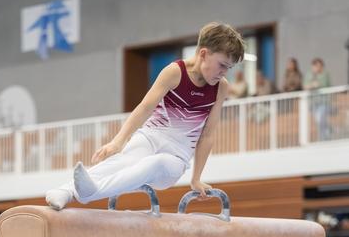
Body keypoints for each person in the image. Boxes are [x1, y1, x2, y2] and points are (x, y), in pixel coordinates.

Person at [46, 22, 245, 210]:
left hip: (176, 156)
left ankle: (87, 193)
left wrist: (196, 178)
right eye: (222, 65)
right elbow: (144, 108)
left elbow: (208, 134)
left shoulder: (221, 88)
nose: (224, 72)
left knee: (153, 164)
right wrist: (118, 142)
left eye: (228, 67)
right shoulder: (175, 72)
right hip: (151, 136)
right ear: (203, 54)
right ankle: (66, 191)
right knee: (124, 161)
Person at [304, 58, 332, 140]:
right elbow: (306, 86)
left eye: (320, 66)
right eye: (316, 66)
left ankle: (323, 138)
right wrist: (313, 84)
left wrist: (313, 84)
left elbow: (321, 84)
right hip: (313, 103)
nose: (318, 67)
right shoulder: (309, 75)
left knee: (320, 119)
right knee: (319, 121)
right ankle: (329, 130)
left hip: (324, 102)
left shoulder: (325, 74)